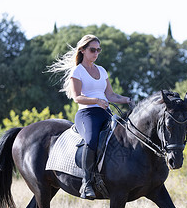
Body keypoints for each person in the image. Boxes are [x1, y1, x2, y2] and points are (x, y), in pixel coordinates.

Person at [47, 35, 133, 199]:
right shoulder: (77, 71)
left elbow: (111, 95)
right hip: (87, 113)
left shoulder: (101, 70)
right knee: (91, 140)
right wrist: (96, 100)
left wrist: (128, 100)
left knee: (121, 139)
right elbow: (77, 97)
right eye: (92, 50)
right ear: (83, 50)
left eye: (98, 50)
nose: (96, 53)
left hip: (105, 112)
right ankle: (86, 183)